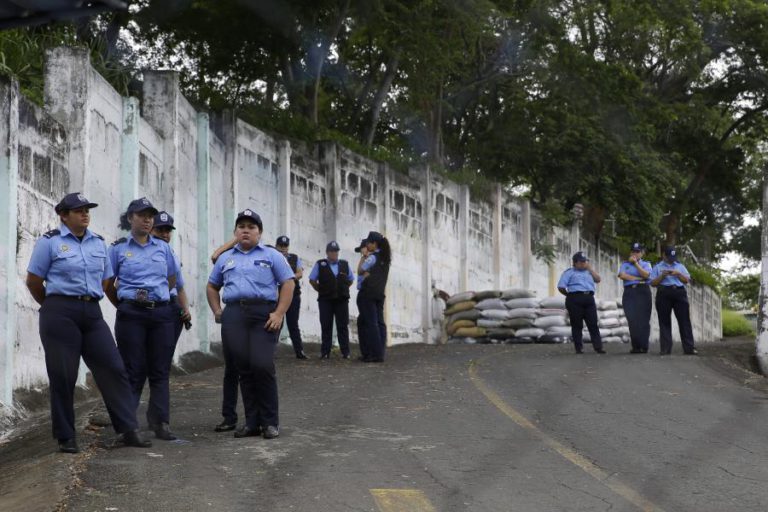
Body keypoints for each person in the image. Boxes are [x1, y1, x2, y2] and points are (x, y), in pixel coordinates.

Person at [25, 192, 151, 453]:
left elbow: (106, 281)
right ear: (63, 215)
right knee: (64, 375)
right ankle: (66, 437)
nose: (85, 214)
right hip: (60, 311)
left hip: (92, 312)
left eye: (87, 210)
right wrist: (52, 306)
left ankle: (128, 429)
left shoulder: (98, 243)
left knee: (114, 368)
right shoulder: (49, 242)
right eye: (78, 210)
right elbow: (34, 281)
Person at [206, 209, 295, 439]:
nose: (246, 230)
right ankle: (252, 422)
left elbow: (288, 283)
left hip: (263, 315)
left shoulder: (272, 255)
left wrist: (279, 313)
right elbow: (212, 286)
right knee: (243, 368)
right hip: (234, 315)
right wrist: (218, 310)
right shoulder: (226, 258)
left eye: (251, 227)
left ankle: (270, 422)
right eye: (241, 226)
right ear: (235, 232)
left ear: (260, 232)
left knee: (262, 365)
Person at [106, 197, 180, 441]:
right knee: (132, 370)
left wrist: (156, 297)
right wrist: (125, 304)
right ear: (130, 219)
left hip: (160, 313)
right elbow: (108, 284)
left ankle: (160, 422)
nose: (147, 220)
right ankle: (128, 427)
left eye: (150, 216)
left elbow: (172, 279)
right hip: (131, 315)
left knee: (159, 370)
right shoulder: (118, 249)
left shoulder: (163, 248)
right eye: (142, 215)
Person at [151, 211, 192, 345]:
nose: (164, 234)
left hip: (172, 306)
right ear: (150, 229)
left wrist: (185, 309)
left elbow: (179, 287)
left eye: (167, 231)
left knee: (164, 356)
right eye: (159, 230)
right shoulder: (141, 252)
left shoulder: (172, 254)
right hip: (151, 306)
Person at [309, 241, 355, 359]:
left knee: (343, 326)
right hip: (325, 300)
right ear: (327, 252)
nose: (334, 254)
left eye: (336, 251)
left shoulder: (344, 264)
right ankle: (325, 352)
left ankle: (346, 352)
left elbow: (350, 280)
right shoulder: (320, 264)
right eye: (332, 251)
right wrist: (321, 290)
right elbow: (312, 280)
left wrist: (341, 289)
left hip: (341, 300)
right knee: (326, 325)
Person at [650, 246, 697, 356]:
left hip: (679, 293)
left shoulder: (680, 266)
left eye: (673, 257)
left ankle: (689, 348)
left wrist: (678, 274)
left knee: (684, 321)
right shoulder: (657, 267)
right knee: (664, 321)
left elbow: (687, 280)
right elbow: (652, 283)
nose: (672, 259)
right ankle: (665, 349)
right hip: (663, 293)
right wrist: (662, 276)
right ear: (664, 255)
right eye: (669, 257)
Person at [557, 251, 605, 354]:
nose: (583, 263)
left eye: (585, 261)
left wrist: (590, 269)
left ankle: (598, 347)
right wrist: (569, 295)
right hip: (574, 298)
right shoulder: (569, 272)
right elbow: (561, 287)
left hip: (589, 298)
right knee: (577, 325)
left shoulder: (589, 272)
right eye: (581, 261)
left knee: (593, 324)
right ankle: (579, 348)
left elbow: (598, 279)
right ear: (574, 262)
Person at [356, 231, 392, 363]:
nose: (367, 245)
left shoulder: (372, 257)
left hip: (368, 293)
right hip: (379, 293)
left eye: (369, 243)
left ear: (374, 244)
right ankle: (379, 352)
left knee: (370, 323)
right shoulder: (385, 257)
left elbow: (360, 270)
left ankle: (374, 354)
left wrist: (363, 256)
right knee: (379, 323)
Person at [275, 236, 307, 359]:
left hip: (293, 295)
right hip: (277, 294)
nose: (283, 248)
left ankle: (299, 352)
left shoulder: (294, 258)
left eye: (285, 246)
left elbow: (299, 273)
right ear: (276, 246)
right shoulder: (273, 257)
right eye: (281, 246)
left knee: (293, 323)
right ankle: (272, 351)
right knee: (277, 322)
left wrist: (287, 277)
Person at [618, 242, 652, 354]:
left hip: (643, 291)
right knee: (632, 319)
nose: (635, 253)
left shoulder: (646, 264)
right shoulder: (625, 264)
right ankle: (636, 346)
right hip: (629, 292)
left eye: (637, 252)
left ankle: (644, 346)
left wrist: (636, 264)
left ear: (642, 253)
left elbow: (647, 276)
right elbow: (622, 275)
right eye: (633, 251)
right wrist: (638, 278)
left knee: (644, 319)